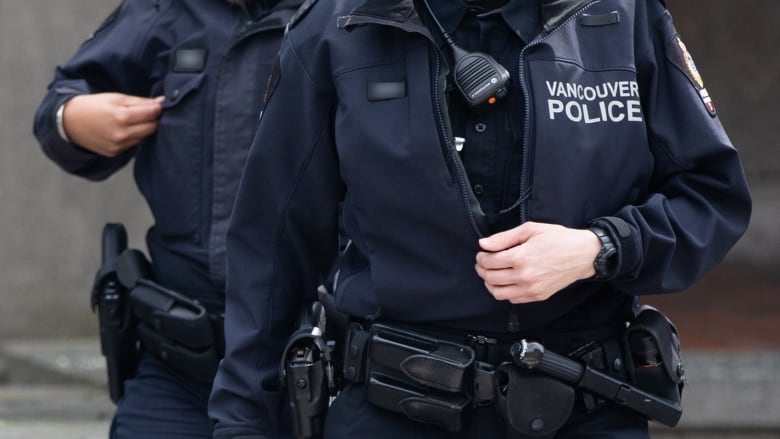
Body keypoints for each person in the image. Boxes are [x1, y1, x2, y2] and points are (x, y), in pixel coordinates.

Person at [209, 0, 752, 438]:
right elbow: (272, 244)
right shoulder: (337, 26)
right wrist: (243, 422)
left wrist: (598, 248)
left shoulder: (624, 18)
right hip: (393, 406)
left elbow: (710, 195)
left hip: (584, 405)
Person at [32, 0, 303, 437]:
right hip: (182, 359)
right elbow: (61, 102)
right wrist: (72, 119)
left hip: (314, 359)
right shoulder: (164, 11)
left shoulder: (352, 15)